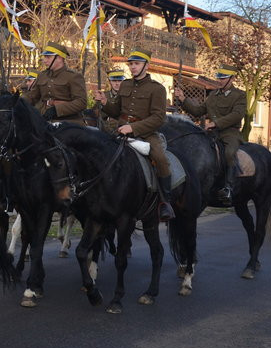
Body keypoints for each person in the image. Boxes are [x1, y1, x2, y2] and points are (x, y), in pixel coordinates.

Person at [93, 49, 175, 220]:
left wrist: (134, 128)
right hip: (121, 130)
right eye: (131, 64)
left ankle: (165, 202)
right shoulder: (126, 84)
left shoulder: (157, 88)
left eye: (136, 64)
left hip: (146, 133)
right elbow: (116, 111)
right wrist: (105, 102)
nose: (132, 67)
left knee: (160, 158)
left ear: (147, 65)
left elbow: (158, 118)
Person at [174, 64, 246, 206]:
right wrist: (183, 99)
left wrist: (215, 123)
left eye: (223, 78)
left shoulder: (240, 95)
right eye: (219, 77)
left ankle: (229, 187)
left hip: (230, 132)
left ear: (232, 79)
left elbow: (237, 115)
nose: (220, 80)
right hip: (212, 132)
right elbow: (198, 111)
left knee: (230, 153)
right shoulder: (213, 95)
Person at [30, 43, 87, 124]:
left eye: (48, 57)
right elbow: (32, 97)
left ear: (59, 58)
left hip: (68, 122)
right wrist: (15, 101)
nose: (44, 60)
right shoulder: (42, 75)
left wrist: (57, 110)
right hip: (43, 119)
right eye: (44, 57)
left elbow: (81, 102)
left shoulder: (73, 76)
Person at [101, 68, 126, 134]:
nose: (117, 83)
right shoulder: (103, 96)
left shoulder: (126, 97)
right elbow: (96, 114)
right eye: (114, 81)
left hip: (121, 130)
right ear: (110, 82)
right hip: (104, 130)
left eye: (119, 81)